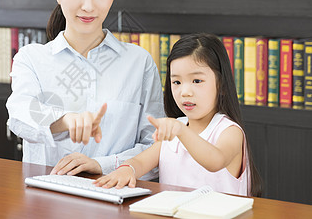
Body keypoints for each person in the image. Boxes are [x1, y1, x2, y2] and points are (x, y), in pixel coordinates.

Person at [6, 0, 164, 178]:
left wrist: (104, 165)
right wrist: (65, 120)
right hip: (47, 201)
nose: (88, 5)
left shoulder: (138, 62)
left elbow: (156, 146)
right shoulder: (32, 58)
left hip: (116, 198)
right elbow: (20, 116)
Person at [94, 33, 262, 196]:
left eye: (197, 81)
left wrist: (181, 131)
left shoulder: (229, 131)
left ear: (222, 85)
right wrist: (126, 169)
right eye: (176, 82)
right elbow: (141, 161)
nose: (185, 92)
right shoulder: (175, 128)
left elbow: (215, 161)